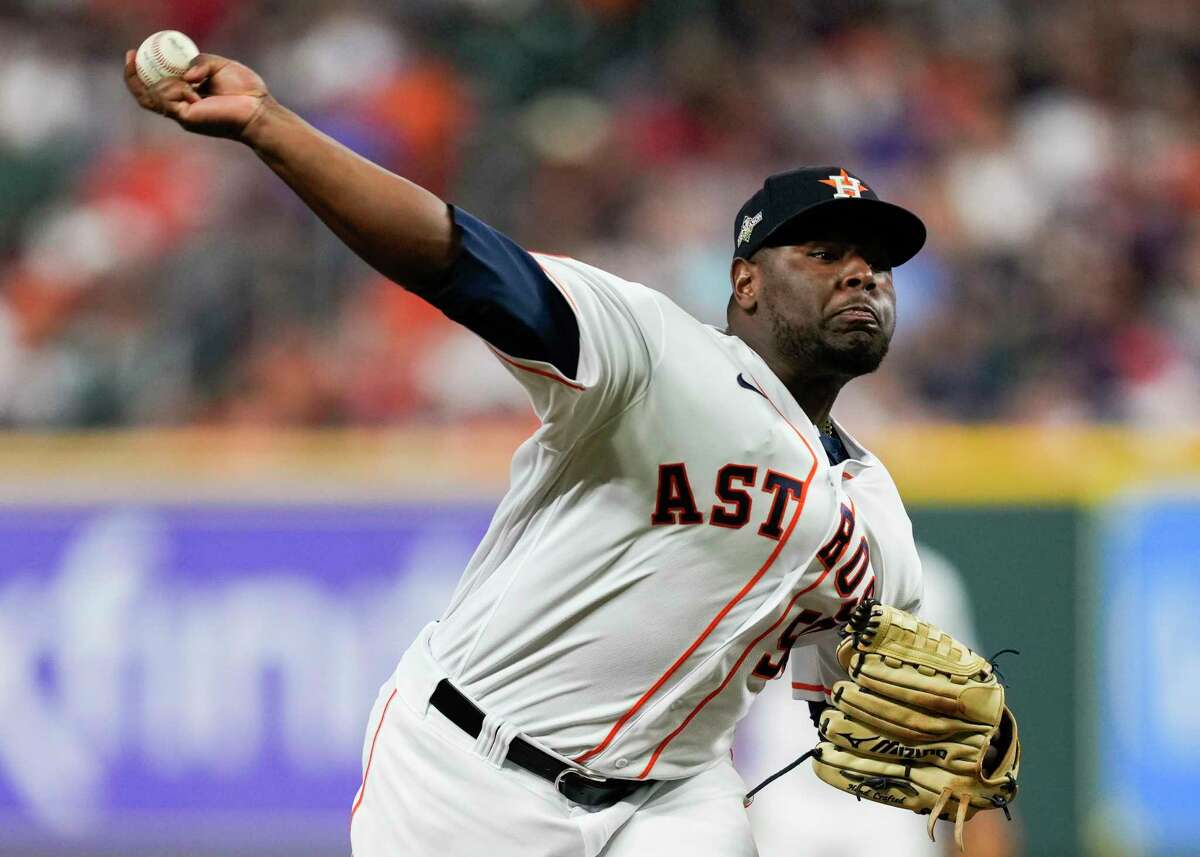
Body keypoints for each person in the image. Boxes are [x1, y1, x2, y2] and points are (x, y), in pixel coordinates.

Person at [124, 51, 928, 857]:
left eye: (877, 263)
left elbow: (858, 711)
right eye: (824, 254)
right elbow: (456, 257)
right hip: (467, 772)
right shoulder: (655, 352)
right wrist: (270, 126)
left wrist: (918, 741)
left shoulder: (880, 519)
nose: (862, 274)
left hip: (675, 800)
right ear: (746, 282)